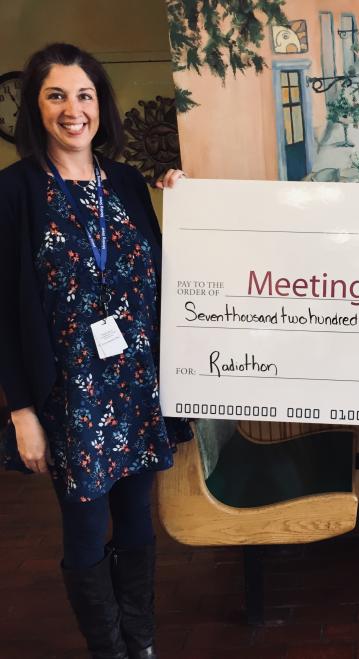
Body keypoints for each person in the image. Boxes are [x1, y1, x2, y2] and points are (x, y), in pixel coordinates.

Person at [0, 43, 192, 659]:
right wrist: (21, 410)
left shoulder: (131, 183)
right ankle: (108, 651)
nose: (72, 109)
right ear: (37, 106)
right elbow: (3, 309)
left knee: (137, 519)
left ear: (100, 105)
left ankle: (141, 644)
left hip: (137, 383)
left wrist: (188, 207)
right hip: (70, 394)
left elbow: (166, 277)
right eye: (56, 95)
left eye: (83, 95)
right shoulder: (15, 191)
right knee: (85, 526)